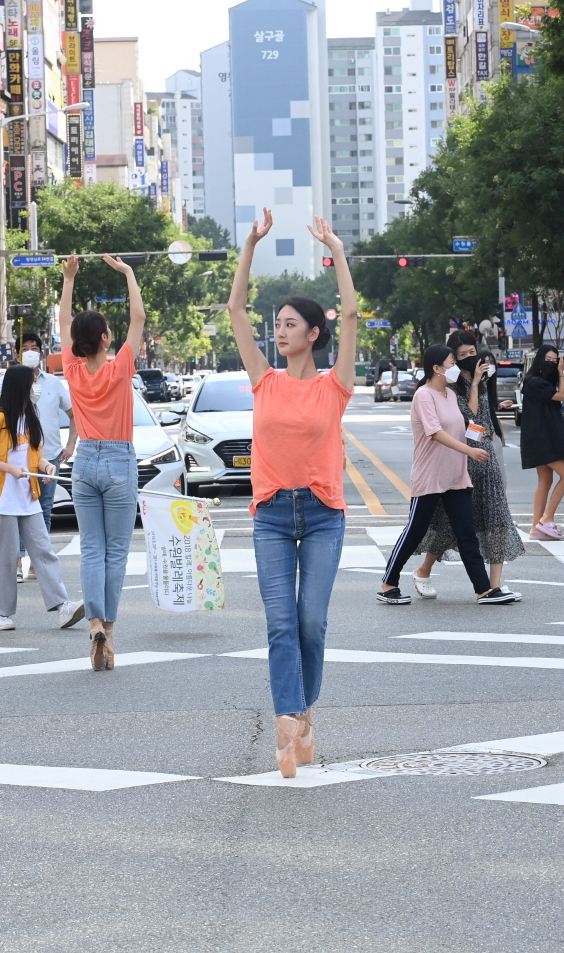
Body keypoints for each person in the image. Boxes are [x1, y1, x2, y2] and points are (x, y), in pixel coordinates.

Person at [227, 210, 359, 779]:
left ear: (314, 333)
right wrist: (250, 246)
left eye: (288, 325)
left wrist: (335, 249)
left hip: (324, 513)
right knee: (280, 623)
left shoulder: (337, 384)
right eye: (275, 323)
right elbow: (234, 310)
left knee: (311, 623)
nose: (277, 331)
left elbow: (351, 311)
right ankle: (289, 721)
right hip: (273, 515)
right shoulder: (265, 379)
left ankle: (305, 712)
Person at [57, 252, 145, 669]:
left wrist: (68, 280)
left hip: (85, 459)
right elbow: (139, 320)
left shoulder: (73, 370)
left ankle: (93, 622)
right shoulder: (119, 369)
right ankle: (108, 632)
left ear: (78, 344)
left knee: (91, 548)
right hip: (118, 460)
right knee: (117, 552)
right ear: (107, 340)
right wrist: (128, 273)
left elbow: (62, 323)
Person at [379, 344, 515, 608]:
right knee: (415, 531)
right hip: (430, 476)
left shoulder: (449, 395)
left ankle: (484, 590)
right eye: (452, 362)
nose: (455, 367)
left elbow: (462, 425)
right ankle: (388, 583)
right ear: (437, 368)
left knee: (467, 535)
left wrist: (479, 435)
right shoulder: (424, 396)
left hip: (456, 475)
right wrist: (469, 450)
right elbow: (436, 432)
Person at [411, 331, 523, 600]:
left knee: (497, 518)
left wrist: (494, 427)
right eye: (461, 356)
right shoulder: (447, 388)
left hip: (486, 456)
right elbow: (469, 418)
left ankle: (493, 584)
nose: (469, 358)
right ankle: (423, 571)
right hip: (461, 458)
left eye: (472, 352)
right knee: (451, 525)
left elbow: (485, 414)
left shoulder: (483, 380)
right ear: (451, 360)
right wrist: (473, 384)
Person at [0, 365, 79, 630]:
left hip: (28, 497)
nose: (35, 388)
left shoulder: (30, 417)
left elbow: (32, 455)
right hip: (4, 499)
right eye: (32, 383)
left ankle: (63, 606)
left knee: (43, 550)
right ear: (21, 386)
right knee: (6, 556)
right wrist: (9, 469)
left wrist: (45, 466)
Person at [18, 333, 73, 581]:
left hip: (49, 456)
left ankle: (37, 563)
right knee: (18, 509)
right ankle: (17, 561)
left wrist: (70, 445)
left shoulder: (53, 383)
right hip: (19, 458)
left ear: (41, 352)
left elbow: (74, 415)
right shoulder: (12, 383)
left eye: (34, 348)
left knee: (44, 510)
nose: (30, 351)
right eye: (25, 348)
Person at [520, 343, 564, 540]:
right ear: (540, 360)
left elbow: (554, 403)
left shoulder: (539, 382)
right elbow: (559, 395)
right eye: (549, 359)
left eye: (555, 360)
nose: (552, 363)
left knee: (545, 481)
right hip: (543, 439)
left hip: (541, 436)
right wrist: (562, 373)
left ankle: (536, 528)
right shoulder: (535, 381)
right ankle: (546, 519)